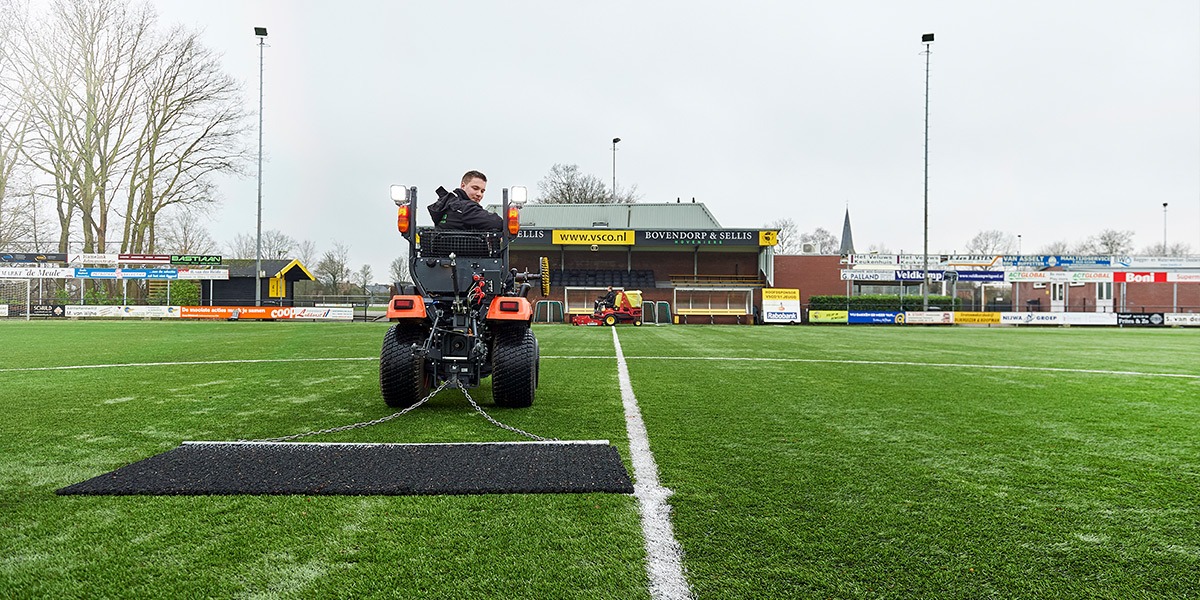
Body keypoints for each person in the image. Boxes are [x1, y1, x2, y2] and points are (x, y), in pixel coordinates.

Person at [428, 170, 504, 230]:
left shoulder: (447, 205)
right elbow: (496, 223)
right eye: (475, 188)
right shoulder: (464, 208)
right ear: (463, 186)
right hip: (463, 250)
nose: (479, 194)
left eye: (482, 191)